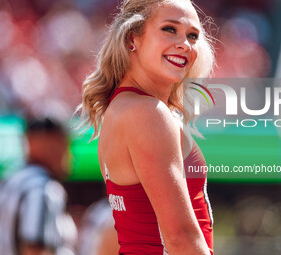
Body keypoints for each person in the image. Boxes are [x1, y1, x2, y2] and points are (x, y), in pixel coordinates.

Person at [78, 0, 215, 254]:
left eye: (193, 35)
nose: (185, 44)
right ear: (133, 38)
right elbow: (180, 237)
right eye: (169, 29)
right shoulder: (148, 113)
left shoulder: (122, 108)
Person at [0, 117, 77, 255]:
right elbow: (35, 249)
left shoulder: (8, 179)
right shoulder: (41, 187)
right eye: (65, 143)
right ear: (49, 142)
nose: (67, 153)